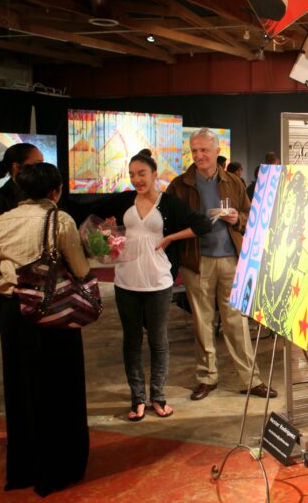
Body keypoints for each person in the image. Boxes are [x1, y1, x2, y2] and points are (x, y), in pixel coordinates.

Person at [0, 162, 91, 497]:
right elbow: (80, 269)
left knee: (21, 388)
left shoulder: (3, 220)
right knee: (59, 388)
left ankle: (24, 468)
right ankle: (59, 467)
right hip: (53, 310)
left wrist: (8, 287)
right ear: (55, 191)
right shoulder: (60, 220)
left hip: (13, 313)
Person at [89, 154, 210, 421]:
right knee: (131, 341)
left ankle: (158, 396)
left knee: (158, 341)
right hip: (126, 281)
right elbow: (93, 216)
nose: (137, 179)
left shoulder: (169, 203)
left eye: (142, 173)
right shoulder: (124, 200)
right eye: (132, 174)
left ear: (155, 174)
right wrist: (107, 234)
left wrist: (170, 237)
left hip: (158, 281)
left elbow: (202, 224)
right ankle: (137, 399)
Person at [166, 128, 271, 401]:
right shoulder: (179, 185)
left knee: (236, 321)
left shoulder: (234, 182)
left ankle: (250, 379)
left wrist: (238, 219)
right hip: (196, 261)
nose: (199, 155)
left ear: (216, 151)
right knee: (202, 322)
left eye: (204, 150)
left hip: (231, 260)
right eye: (195, 150)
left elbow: (250, 214)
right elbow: (169, 220)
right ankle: (207, 378)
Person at [0, 143, 45, 333]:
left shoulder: (41, 195)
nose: (42, 169)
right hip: (14, 284)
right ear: (17, 167)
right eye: (37, 163)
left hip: (41, 280)